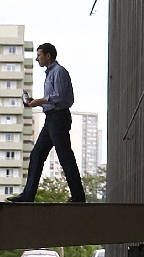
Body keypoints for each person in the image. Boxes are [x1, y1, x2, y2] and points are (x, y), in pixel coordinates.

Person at [6, 43, 86, 203]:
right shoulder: (50, 74)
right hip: (51, 118)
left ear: (48, 56)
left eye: (39, 55)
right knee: (37, 154)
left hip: (59, 118)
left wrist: (39, 101)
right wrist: (36, 102)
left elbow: (60, 97)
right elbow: (52, 99)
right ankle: (28, 195)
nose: (37, 59)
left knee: (65, 156)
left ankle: (78, 196)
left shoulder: (59, 72)